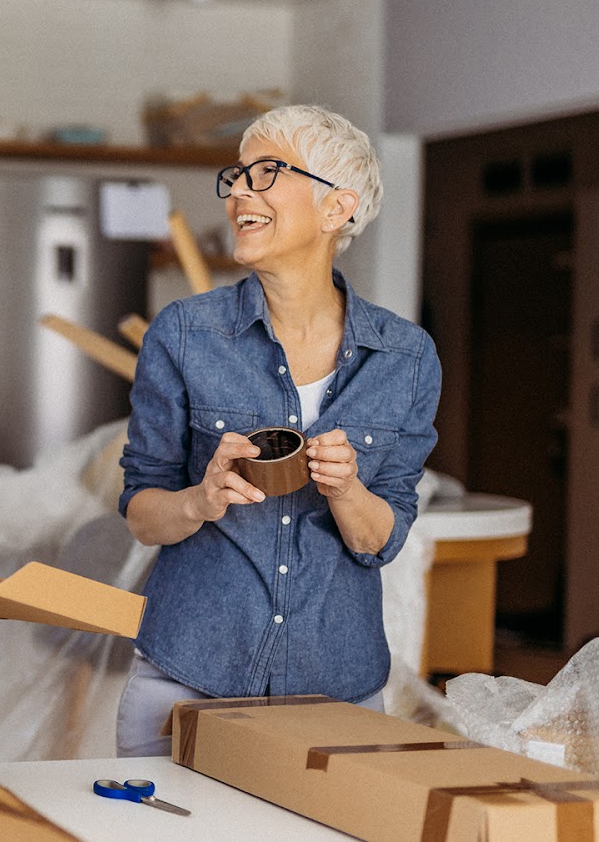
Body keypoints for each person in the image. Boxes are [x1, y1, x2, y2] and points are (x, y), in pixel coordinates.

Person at [114, 105, 441, 756]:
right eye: (235, 176)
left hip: (335, 691)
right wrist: (198, 500)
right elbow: (142, 514)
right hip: (186, 678)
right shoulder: (183, 334)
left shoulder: (406, 358)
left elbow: (383, 538)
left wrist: (347, 489)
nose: (238, 191)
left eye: (264, 173)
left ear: (335, 208)